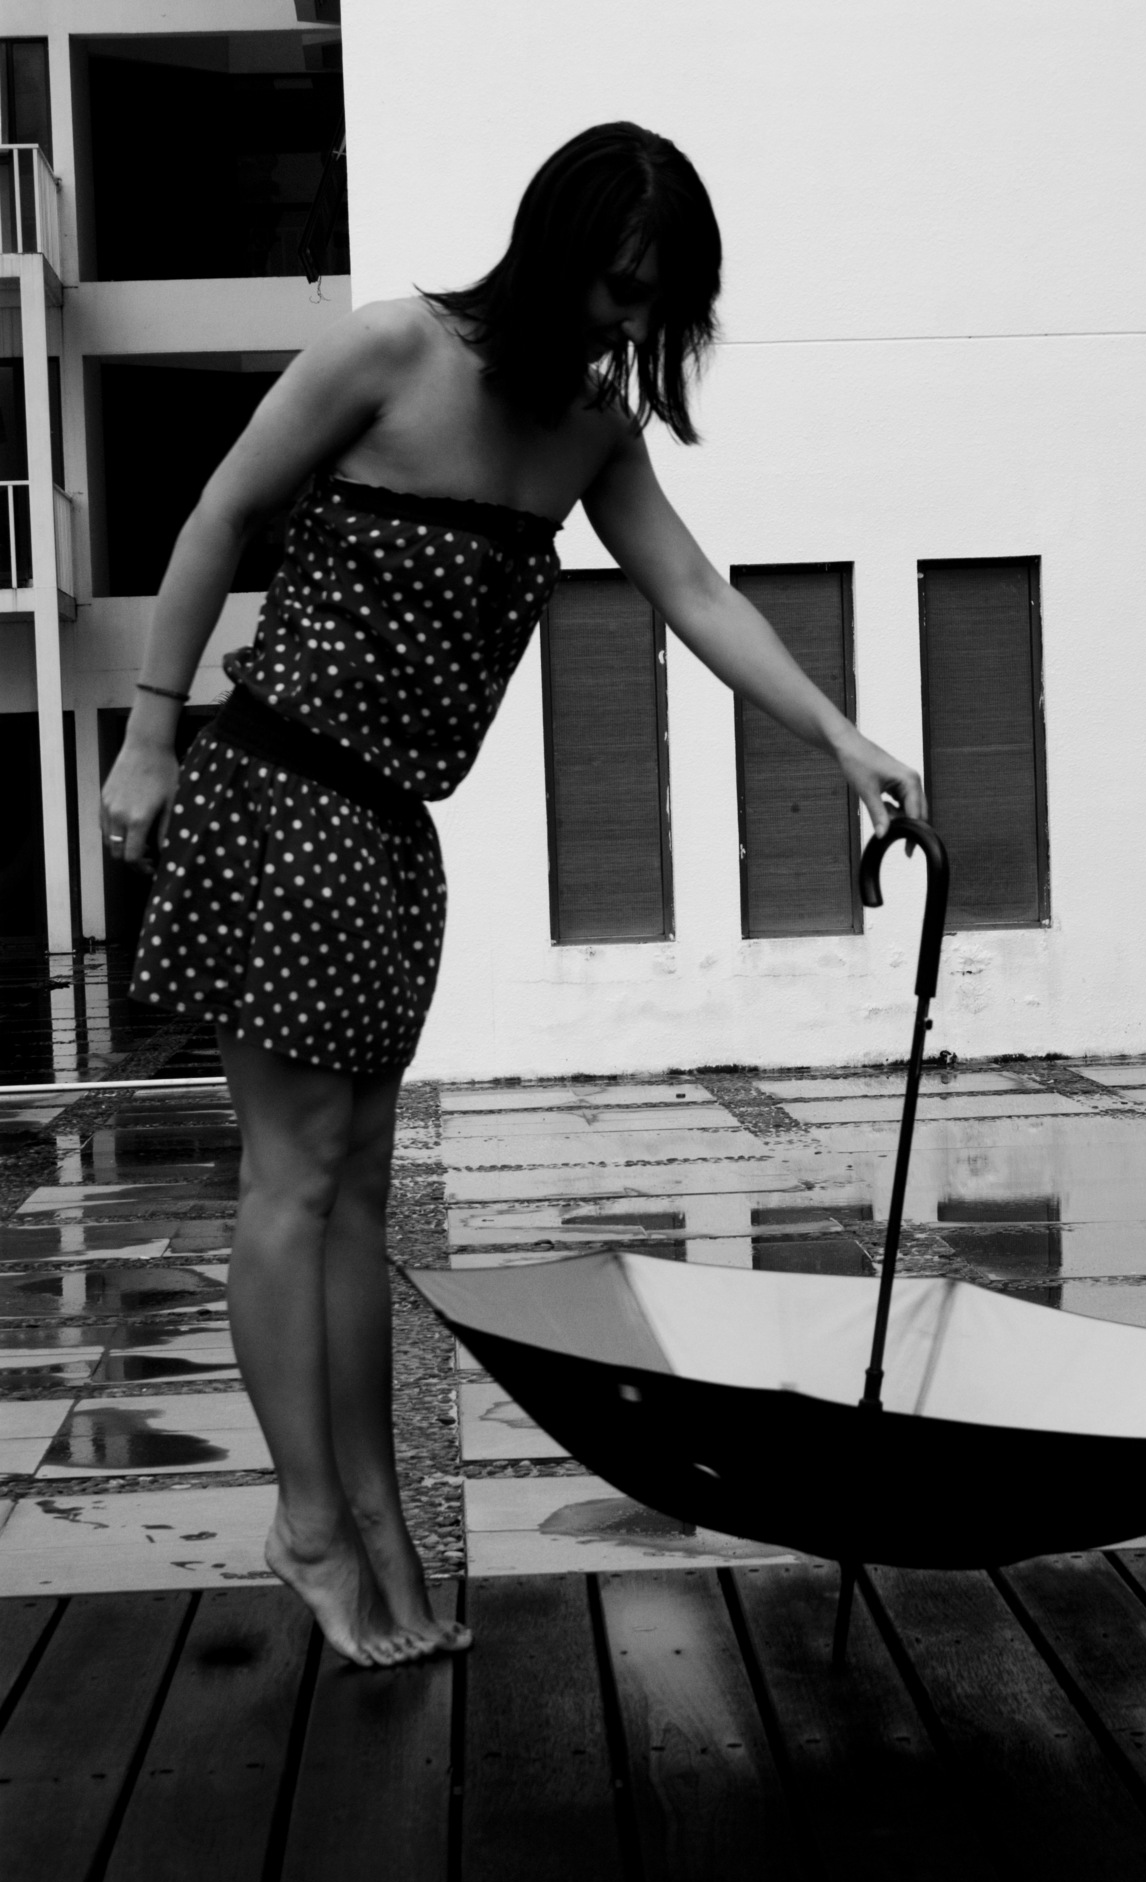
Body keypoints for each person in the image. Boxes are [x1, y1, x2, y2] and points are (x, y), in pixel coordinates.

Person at [100, 122, 925, 1668]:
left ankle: (374, 1521)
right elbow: (218, 515)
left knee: (354, 1191)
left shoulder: (592, 434)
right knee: (292, 1183)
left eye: (656, 300)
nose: (631, 319)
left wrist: (837, 736)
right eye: (618, 284)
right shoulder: (389, 353)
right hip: (276, 791)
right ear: (555, 251)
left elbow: (698, 593)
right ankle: (310, 1524)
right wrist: (146, 737)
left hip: (389, 837)